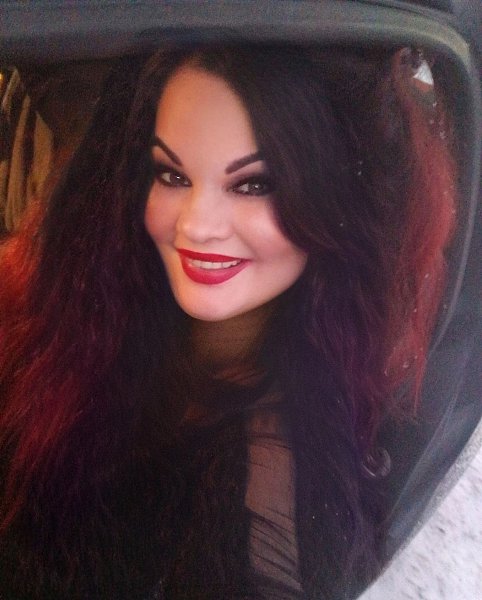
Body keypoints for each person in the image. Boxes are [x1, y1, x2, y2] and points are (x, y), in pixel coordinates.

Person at [0, 44, 457, 600]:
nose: (197, 225)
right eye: (171, 175)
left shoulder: (271, 485)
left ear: (336, 201)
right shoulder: (77, 303)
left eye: (254, 184)